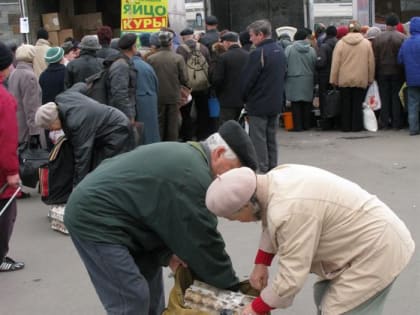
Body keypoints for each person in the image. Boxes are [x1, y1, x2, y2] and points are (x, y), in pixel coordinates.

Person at [63, 120, 258, 315]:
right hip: (94, 218)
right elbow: (204, 243)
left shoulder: (190, 157)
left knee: (152, 291)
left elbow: (157, 212)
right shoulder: (193, 176)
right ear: (219, 153)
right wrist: (233, 290)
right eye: (233, 170)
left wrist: (165, 254)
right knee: (132, 299)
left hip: (125, 218)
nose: (233, 181)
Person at [205, 165, 415, 315]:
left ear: (246, 205)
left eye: (232, 218)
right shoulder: (272, 182)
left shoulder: (289, 210)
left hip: (378, 248)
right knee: (323, 295)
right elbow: (269, 221)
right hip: (367, 239)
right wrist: (262, 263)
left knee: (339, 310)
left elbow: (290, 280)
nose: (238, 222)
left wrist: (253, 308)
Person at [34, 83, 133, 186]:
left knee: (106, 171)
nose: (52, 130)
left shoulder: (76, 122)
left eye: (50, 127)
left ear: (54, 120)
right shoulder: (63, 97)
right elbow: (82, 86)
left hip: (117, 132)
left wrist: (77, 189)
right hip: (113, 120)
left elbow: (82, 159)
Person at [241, 19, 286, 173]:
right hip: (275, 102)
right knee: (271, 137)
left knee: (258, 138)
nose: (250, 39)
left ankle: (262, 169)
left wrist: (244, 98)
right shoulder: (280, 50)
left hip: (258, 103)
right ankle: (273, 168)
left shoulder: (258, 53)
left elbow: (248, 81)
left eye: (252, 35)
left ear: (260, 35)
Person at [0, 41, 24, 272]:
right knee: (5, 213)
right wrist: (11, 172)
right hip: (0, 171)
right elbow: (6, 139)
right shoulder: (3, 99)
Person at [330, 21, 375, 132]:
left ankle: (345, 126)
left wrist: (333, 79)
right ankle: (356, 126)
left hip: (344, 78)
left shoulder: (340, 43)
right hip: (360, 78)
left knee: (345, 103)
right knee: (357, 103)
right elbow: (371, 63)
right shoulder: (366, 43)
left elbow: (336, 63)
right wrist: (370, 78)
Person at [148, 31, 188, 141]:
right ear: (170, 43)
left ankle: (159, 145)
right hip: (173, 96)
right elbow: (184, 79)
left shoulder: (151, 59)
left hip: (158, 96)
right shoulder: (178, 58)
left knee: (159, 123)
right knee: (173, 126)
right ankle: (172, 146)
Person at [373, 14, 406, 130]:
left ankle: (385, 122)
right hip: (398, 72)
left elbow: (375, 58)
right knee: (396, 97)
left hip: (382, 71)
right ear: (397, 24)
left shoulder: (378, 38)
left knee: (384, 97)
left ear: (386, 24)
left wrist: (374, 73)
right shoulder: (402, 38)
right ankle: (397, 123)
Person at [8, 44, 42, 146]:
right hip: (27, 129)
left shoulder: (13, 73)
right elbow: (31, 106)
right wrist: (35, 132)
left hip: (17, 124)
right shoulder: (29, 76)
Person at [212, 31, 249, 124]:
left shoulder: (223, 57)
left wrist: (218, 93)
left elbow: (217, 79)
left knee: (227, 127)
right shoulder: (248, 55)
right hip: (244, 99)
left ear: (227, 42)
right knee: (241, 127)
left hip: (226, 100)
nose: (222, 45)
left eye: (222, 42)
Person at [284, 29, 317, 131]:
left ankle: (298, 126)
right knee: (307, 103)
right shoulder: (311, 50)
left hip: (293, 79)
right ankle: (307, 125)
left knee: (295, 104)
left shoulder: (289, 49)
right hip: (308, 79)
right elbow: (314, 64)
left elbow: (284, 64)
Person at [39, 46, 66, 150]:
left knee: (52, 145)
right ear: (60, 58)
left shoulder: (43, 75)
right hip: (63, 112)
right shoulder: (66, 72)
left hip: (48, 113)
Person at [132, 53, 160, 144]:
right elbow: (156, 84)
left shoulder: (127, 65)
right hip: (150, 99)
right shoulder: (147, 66)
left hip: (136, 101)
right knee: (151, 131)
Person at [398, 17, 420, 136]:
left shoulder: (406, 43)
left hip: (411, 79)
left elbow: (400, 59)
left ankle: (413, 128)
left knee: (413, 104)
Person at [316, 25, 338, 130]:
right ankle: (336, 121)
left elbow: (320, 63)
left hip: (325, 76)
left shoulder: (324, 46)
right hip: (337, 76)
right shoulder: (339, 44)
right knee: (336, 98)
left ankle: (326, 122)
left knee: (325, 99)